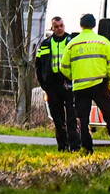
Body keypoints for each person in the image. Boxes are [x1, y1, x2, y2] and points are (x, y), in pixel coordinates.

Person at [60, 13, 110, 154]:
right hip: (100, 85)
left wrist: (75, 76)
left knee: (83, 120)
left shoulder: (72, 44)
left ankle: (87, 148)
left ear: (81, 25)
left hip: (80, 87)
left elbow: (63, 67)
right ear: (94, 25)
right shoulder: (103, 42)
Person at [34, 16, 79, 152]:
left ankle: (75, 146)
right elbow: (38, 65)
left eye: (61, 26)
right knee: (58, 119)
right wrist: (44, 85)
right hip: (52, 86)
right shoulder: (45, 44)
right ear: (52, 28)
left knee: (72, 118)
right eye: (56, 26)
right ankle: (62, 146)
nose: (59, 28)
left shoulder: (71, 41)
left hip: (69, 83)